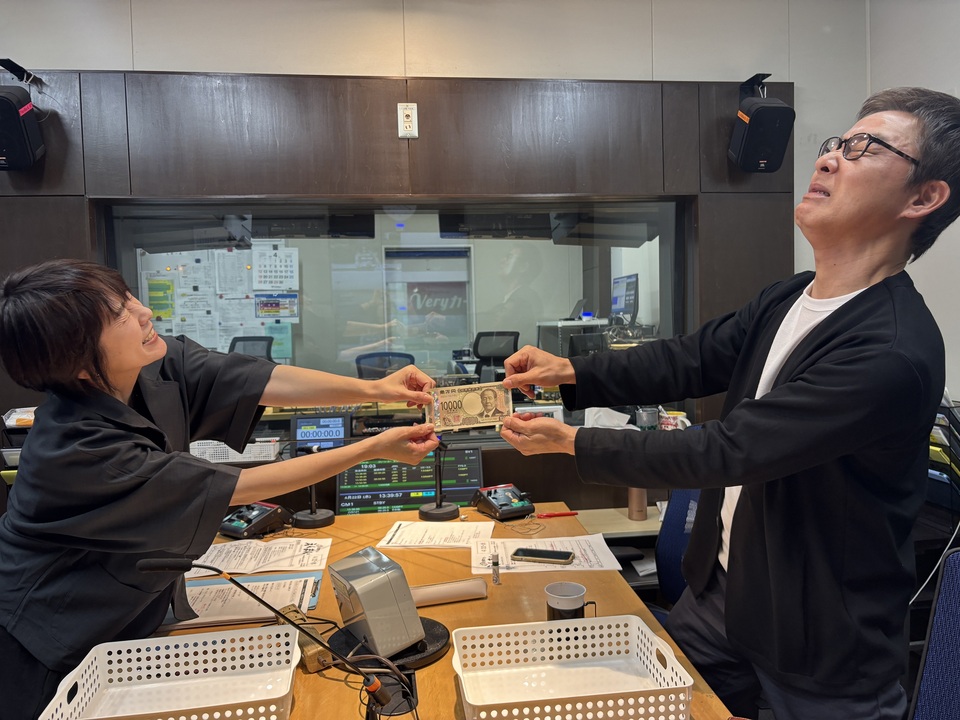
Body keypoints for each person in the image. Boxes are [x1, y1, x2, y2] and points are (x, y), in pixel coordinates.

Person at [498, 87, 960, 720]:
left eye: (865, 148)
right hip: (722, 598)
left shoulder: (890, 349)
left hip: (820, 642)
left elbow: (730, 450)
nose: (828, 158)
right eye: (837, 143)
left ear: (923, 198)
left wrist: (573, 441)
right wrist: (570, 372)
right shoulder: (790, 297)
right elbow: (688, 359)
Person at [0, 259, 440, 720]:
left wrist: (376, 389)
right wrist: (372, 448)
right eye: (119, 315)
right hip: (53, 638)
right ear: (76, 361)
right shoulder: (78, 448)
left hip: (135, 614)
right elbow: (239, 487)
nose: (144, 311)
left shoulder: (154, 367)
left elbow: (261, 380)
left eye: (127, 297)